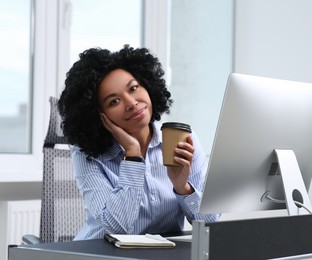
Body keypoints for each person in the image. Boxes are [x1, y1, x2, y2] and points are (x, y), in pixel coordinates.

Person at [58, 45, 219, 240]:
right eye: (114, 102)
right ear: (99, 116)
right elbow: (116, 226)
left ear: (148, 86)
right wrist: (132, 155)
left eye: (133, 88)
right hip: (101, 254)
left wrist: (182, 187)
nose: (131, 102)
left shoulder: (182, 139)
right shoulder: (87, 154)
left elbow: (211, 222)